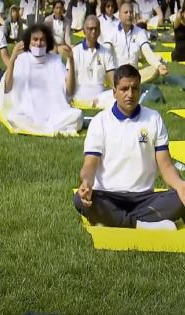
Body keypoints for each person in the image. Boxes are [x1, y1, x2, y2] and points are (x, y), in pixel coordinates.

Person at [74, 64, 185, 229]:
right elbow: (90, 163)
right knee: (80, 200)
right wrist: (87, 183)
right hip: (108, 197)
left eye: (134, 89)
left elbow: (166, 165)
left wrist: (180, 185)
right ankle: (142, 224)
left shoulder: (153, 118)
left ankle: (120, 221)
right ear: (114, 92)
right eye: (124, 89)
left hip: (144, 199)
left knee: (178, 199)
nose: (130, 94)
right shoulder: (100, 121)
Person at [0, 24, 83, 134]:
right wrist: (13, 58)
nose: (38, 43)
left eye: (42, 40)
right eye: (35, 40)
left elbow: (70, 91)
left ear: (47, 42)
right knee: (13, 117)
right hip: (28, 114)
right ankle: (51, 130)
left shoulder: (55, 61)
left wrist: (71, 60)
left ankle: (42, 129)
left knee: (77, 115)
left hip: (54, 115)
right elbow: (7, 87)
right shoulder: (22, 59)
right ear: (29, 41)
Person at [104, 1, 168, 82]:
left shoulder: (140, 32)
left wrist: (158, 66)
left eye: (131, 12)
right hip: (117, 74)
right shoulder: (111, 31)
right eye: (126, 12)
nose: (129, 15)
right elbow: (105, 54)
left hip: (134, 73)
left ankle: (132, 82)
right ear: (119, 15)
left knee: (156, 68)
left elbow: (147, 51)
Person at [69, 15, 115, 108]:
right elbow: (69, 78)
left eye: (96, 29)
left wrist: (117, 89)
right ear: (84, 31)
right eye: (90, 29)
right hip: (80, 96)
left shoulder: (105, 51)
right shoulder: (75, 51)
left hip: (100, 97)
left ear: (99, 31)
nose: (93, 31)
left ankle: (95, 103)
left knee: (118, 96)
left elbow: (112, 77)